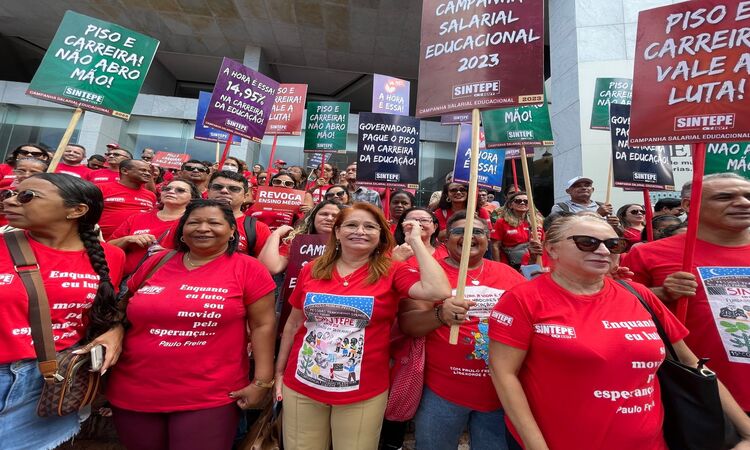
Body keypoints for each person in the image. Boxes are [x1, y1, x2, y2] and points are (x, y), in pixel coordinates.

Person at [488, 213, 750, 449]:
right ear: (552, 249)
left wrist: (746, 431)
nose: (603, 251)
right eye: (587, 242)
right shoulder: (523, 299)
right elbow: (504, 374)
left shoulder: (639, 294)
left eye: (614, 245)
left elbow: (692, 364)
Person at [274, 203, 451, 450]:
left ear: (380, 235)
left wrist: (417, 242)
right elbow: (293, 324)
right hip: (302, 386)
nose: (361, 231)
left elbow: (439, 290)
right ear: (337, 232)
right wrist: (279, 373)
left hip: (362, 393)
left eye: (370, 226)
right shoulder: (312, 269)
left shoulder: (393, 271)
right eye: (351, 225)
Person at [106, 199, 277, 450]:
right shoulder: (157, 262)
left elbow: (263, 326)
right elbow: (123, 309)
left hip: (209, 393)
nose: (202, 228)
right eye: (193, 222)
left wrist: (261, 382)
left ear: (232, 231)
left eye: (213, 223)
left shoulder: (249, 269)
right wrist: (114, 331)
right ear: (182, 229)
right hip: (134, 388)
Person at [0, 173, 125, 449]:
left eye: (26, 196)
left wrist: (114, 330)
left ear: (77, 210)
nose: (10, 201)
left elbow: (103, 310)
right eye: (8, 195)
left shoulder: (110, 257)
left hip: (52, 384)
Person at [623, 173, 750, 414]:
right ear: (688, 205)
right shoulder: (648, 255)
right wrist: (660, 294)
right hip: (698, 394)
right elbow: (617, 314)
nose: (743, 203)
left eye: (748, 196)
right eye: (725, 197)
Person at [399, 212, 526, 450]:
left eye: (477, 232)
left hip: (498, 393)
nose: (469, 237)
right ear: (445, 240)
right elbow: (409, 325)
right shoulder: (430, 273)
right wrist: (440, 315)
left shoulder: (509, 275)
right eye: (459, 232)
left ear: (488, 240)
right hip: (443, 392)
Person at [108, 178, 199, 278]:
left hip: (166, 280)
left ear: (192, 199)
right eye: (167, 189)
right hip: (126, 279)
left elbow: (201, 256)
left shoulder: (194, 223)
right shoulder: (137, 218)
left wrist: (170, 255)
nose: (171, 192)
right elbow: (108, 247)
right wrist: (128, 239)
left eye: (180, 190)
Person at [258, 200, 343, 276]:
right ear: (313, 218)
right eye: (324, 214)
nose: (329, 218)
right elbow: (271, 268)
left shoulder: (347, 244)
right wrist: (276, 234)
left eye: (335, 216)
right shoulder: (297, 241)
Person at [207, 170, 270, 256]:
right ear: (208, 191)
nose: (224, 191)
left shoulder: (258, 228)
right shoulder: (187, 220)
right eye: (217, 187)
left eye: (234, 189)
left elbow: (262, 266)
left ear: (245, 196)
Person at [98, 159, 157, 240]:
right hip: (99, 242)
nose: (148, 174)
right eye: (143, 170)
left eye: (148, 171)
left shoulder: (151, 195)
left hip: (135, 244)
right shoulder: (100, 188)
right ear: (125, 171)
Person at [491, 191, 543, 269]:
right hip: (511, 265)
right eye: (518, 201)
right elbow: (495, 246)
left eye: (526, 201)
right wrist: (498, 267)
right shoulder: (501, 222)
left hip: (533, 263)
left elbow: (543, 243)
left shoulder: (536, 222)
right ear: (510, 205)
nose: (522, 203)